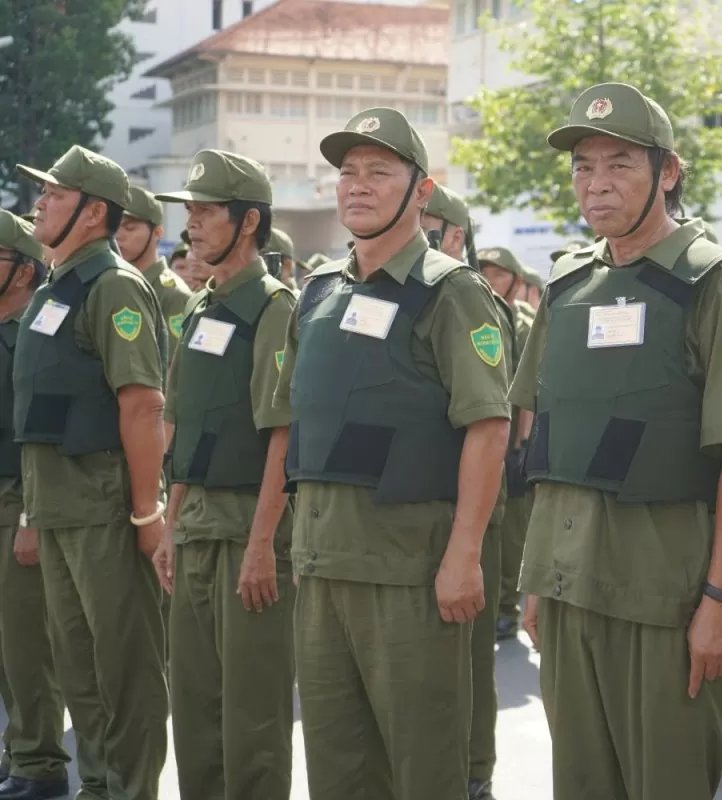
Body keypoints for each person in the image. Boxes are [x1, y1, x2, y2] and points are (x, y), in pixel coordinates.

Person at [512, 82, 722, 799]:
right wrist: (538, 578)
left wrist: (721, 601)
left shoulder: (716, 283)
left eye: (619, 164)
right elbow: (548, 443)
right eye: (583, 166)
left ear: (668, 171)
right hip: (569, 593)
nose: (596, 184)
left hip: (663, 597)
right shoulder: (565, 283)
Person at [276, 108, 511, 800]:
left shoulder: (452, 292)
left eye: (380, 172)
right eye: (348, 172)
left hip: (408, 571)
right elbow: (296, 427)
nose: (358, 185)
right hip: (322, 571)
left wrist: (465, 555)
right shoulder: (318, 291)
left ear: (422, 190)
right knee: (337, 769)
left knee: (421, 767)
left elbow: (488, 427)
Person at [14, 145, 169, 800]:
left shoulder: (114, 287)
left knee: (125, 673)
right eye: (42, 193)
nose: (39, 203)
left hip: (103, 504)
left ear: (93, 211)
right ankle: (99, 787)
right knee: (79, 670)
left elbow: (141, 405)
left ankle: (130, 791)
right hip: (56, 507)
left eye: (53, 193)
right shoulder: (55, 289)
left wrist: (146, 516)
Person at [150, 150, 296, 800]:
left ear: (248, 222)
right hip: (197, 531)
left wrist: (263, 545)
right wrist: (170, 524)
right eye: (191, 213)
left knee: (253, 709)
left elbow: (282, 434)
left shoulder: (272, 309)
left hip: (246, 533)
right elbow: (180, 426)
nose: (193, 226)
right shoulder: (202, 306)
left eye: (206, 213)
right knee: (197, 703)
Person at [421, 185, 513, 800]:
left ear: (456, 234)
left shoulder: (474, 300)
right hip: (429, 499)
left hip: (480, 503)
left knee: (472, 650)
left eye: (432, 224)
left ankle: (475, 767)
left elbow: (495, 419)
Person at [0, 212, 70, 800]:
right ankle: (16, 750)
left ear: (24, 270)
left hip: (18, 497)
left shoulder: (33, 334)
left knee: (27, 641)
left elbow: (36, 435)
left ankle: (40, 764)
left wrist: (28, 516)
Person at [474, 246, 538, 646]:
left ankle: (506, 609)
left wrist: (522, 444)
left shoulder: (522, 325)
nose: (490, 280)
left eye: (498, 274)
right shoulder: (482, 317)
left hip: (511, 443)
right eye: (485, 273)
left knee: (512, 533)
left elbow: (527, 393)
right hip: (483, 445)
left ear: (515, 281)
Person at [116, 186, 193, 360]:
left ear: (157, 232)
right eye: (115, 227)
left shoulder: (173, 294)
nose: (118, 236)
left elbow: (173, 364)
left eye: (129, 228)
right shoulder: (115, 283)